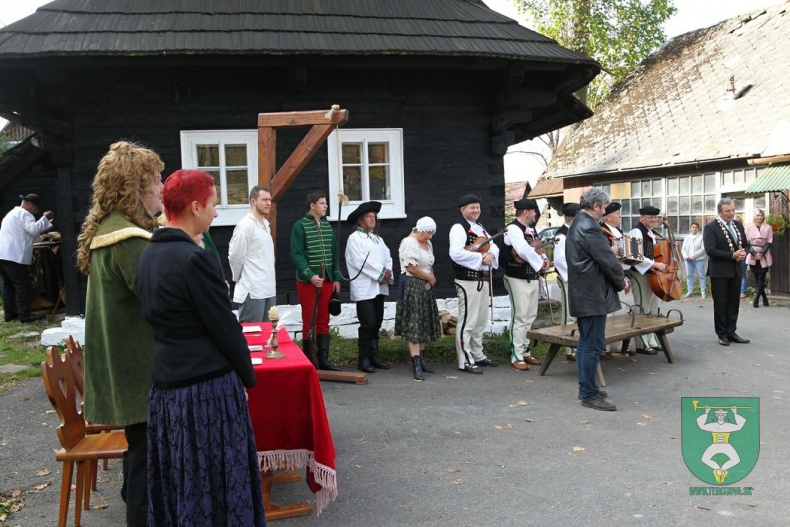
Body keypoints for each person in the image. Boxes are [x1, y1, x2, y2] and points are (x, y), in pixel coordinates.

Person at [136, 169, 265, 526]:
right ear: (194, 207)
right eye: (212, 204)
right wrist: (246, 376)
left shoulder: (148, 255)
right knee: (216, 479)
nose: (216, 213)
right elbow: (224, 327)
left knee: (183, 479)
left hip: (165, 389)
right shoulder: (196, 259)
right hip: (206, 392)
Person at [76, 141, 164, 527]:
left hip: (125, 365)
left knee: (139, 454)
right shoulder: (128, 238)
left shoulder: (112, 228)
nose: (162, 187)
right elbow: (162, 301)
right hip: (138, 369)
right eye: (157, 180)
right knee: (147, 459)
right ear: (138, 187)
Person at [566, 188, 628, 411]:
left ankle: (587, 388)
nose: (604, 211)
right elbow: (608, 260)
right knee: (592, 345)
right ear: (596, 206)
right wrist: (622, 280)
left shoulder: (578, 223)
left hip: (584, 292)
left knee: (585, 344)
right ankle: (589, 394)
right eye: (603, 207)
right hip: (591, 293)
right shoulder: (590, 227)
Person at [291, 189, 342, 371]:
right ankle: (309, 359)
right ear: (312, 206)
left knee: (323, 319)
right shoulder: (300, 226)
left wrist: (335, 277)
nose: (326, 206)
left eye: (326, 203)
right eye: (322, 203)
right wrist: (310, 275)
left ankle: (324, 359)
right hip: (307, 282)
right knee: (309, 320)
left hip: (327, 280)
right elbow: (297, 255)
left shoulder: (328, 226)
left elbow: (333, 253)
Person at [449, 194, 499, 374]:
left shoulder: (480, 228)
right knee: (468, 322)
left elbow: (493, 246)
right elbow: (455, 253)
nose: (476, 210)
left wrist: (491, 255)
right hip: (467, 280)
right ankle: (465, 359)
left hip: (482, 280)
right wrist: (480, 258)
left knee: (480, 321)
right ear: (463, 210)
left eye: (478, 207)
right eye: (472, 208)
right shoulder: (458, 228)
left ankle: (478, 354)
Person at [345, 201, 394, 373]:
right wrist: (381, 274)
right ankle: (363, 358)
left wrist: (387, 272)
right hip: (365, 287)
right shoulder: (354, 239)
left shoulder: (377, 239)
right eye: (369, 216)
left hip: (379, 287)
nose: (373, 219)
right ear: (360, 220)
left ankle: (374, 356)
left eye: (374, 216)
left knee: (377, 321)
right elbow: (360, 262)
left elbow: (388, 257)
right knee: (368, 322)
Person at [501, 198, 549, 370]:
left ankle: (525, 351)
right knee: (520, 317)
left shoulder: (531, 229)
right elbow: (523, 250)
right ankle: (516, 355)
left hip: (532, 277)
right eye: (534, 211)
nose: (536, 214)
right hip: (517, 277)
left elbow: (537, 247)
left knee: (530, 316)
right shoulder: (513, 229)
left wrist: (545, 260)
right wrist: (538, 263)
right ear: (526, 212)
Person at [394, 217, 442, 381]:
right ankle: (415, 363)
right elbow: (411, 268)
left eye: (432, 233)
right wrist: (428, 278)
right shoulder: (409, 242)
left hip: (425, 287)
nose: (430, 236)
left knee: (423, 323)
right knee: (414, 325)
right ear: (420, 230)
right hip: (412, 286)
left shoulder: (427, 244)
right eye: (428, 233)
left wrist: (431, 278)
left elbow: (429, 264)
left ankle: (421, 361)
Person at [703, 198, 751, 347]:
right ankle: (722, 334)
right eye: (727, 211)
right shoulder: (711, 228)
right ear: (720, 212)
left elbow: (746, 244)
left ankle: (732, 332)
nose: (731, 214)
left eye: (732, 210)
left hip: (735, 271)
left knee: (733, 303)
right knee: (720, 304)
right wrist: (732, 255)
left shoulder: (737, 225)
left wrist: (744, 253)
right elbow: (710, 250)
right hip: (719, 272)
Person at [0, 194, 54, 322]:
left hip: (3, 254)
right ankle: (25, 315)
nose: (35, 212)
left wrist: (43, 230)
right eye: (35, 209)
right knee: (21, 285)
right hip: (15, 255)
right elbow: (33, 229)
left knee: (8, 285)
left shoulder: (12, 213)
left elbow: (29, 234)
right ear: (29, 204)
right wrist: (45, 218)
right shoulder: (25, 214)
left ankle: (9, 313)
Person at [228, 186, 276, 322]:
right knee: (252, 337)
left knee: (267, 336)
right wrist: (239, 278)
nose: (268, 203)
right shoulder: (246, 225)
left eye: (270, 200)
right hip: (252, 290)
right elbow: (235, 256)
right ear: (253, 201)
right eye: (264, 199)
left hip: (268, 289)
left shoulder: (265, 224)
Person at [628, 205, 668, 354]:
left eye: (654, 217)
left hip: (651, 274)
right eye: (650, 217)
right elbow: (634, 255)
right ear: (642, 217)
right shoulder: (635, 232)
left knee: (652, 307)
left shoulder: (651, 232)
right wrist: (654, 263)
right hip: (640, 274)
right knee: (642, 307)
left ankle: (651, 339)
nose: (653, 220)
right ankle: (641, 343)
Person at [599, 202, 631, 357]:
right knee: (608, 313)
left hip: (621, 273)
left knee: (621, 311)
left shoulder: (619, 231)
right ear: (609, 217)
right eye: (617, 214)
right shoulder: (601, 231)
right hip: (608, 276)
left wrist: (627, 275)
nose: (620, 216)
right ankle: (604, 345)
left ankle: (617, 345)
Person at [552, 202, 579, 361]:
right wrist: (573, 276)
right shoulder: (561, 235)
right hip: (568, 277)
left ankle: (574, 344)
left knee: (575, 313)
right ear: (571, 218)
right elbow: (560, 260)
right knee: (568, 314)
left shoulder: (573, 232)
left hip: (576, 277)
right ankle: (569, 349)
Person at [745, 209, 772, 308]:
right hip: (752, 254)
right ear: (754, 217)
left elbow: (769, 242)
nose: (759, 217)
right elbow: (746, 244)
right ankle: (764, 298)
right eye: (757, 215)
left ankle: (756, 299)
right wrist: (754, 253)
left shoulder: (768, 227)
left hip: (764, 254)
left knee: (761, 277)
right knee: (757, 278)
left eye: (761, 215)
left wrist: (761, 253)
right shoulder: (748, 228)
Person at [681, 222, 707, 299]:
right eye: (693, 227)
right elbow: (683, 249)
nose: (694, 228)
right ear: (690, 228)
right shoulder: (687, 237)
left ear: (698, 228)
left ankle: (703, 291)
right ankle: (690, 291)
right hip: (688, 260)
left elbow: (703, 249)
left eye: (696, 227)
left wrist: (693, 256)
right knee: (689, 275)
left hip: (698, 259)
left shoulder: (701, 237)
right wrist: (686, 256)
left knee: (701, 275)